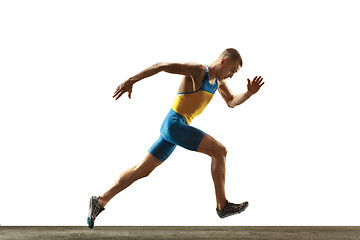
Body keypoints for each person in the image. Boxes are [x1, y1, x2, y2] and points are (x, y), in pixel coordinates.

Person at [87, 48, 264, 229]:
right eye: (233, 70)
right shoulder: (199, 71)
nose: (232, 75)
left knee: (142, 170)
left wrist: (249, 93)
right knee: (220, 151)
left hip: (175, 129)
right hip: (174, 125)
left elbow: (231, 101)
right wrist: (132, 80)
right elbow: (162, 66)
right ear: (224, 61)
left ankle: (100, 201)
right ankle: (222, 206)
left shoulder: (218, 82)